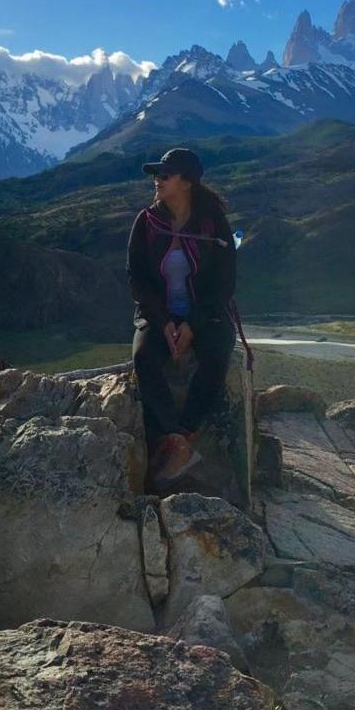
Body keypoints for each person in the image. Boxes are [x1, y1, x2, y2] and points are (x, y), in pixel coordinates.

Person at [127, 146, 239, 488]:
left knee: (216, 355)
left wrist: (193, 324)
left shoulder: (214, 224)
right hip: (159, 316)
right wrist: (164, 323)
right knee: (145, 357)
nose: (157, 181)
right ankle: (176, 438)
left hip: (206, 316)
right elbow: (137, 280)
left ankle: (182, 433)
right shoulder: (146, 222)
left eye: (164, 175)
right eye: (157, 176)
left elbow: (224, 283)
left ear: (186, 182)